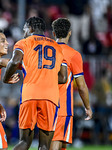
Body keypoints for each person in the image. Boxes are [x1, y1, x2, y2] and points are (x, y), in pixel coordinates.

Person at [3, 16, 67, 150]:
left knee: (24, 141)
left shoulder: (23, 43)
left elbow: (14, 62)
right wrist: (47, 76)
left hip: (30, 94)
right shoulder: (57, 46)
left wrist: (6, 78)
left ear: (30, 28)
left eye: (24, 29)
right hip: (50, 97)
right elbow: (63, 78)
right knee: (44, 145)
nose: (23, 32)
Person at [50, 18, 93, 150]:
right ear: (70, 33)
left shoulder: (46, 51)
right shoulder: (73, 54)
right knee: (57, 140)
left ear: (54, 34)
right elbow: (81, 85)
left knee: (60, 141)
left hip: (44, 102)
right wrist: (88, 107)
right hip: (62, 105)